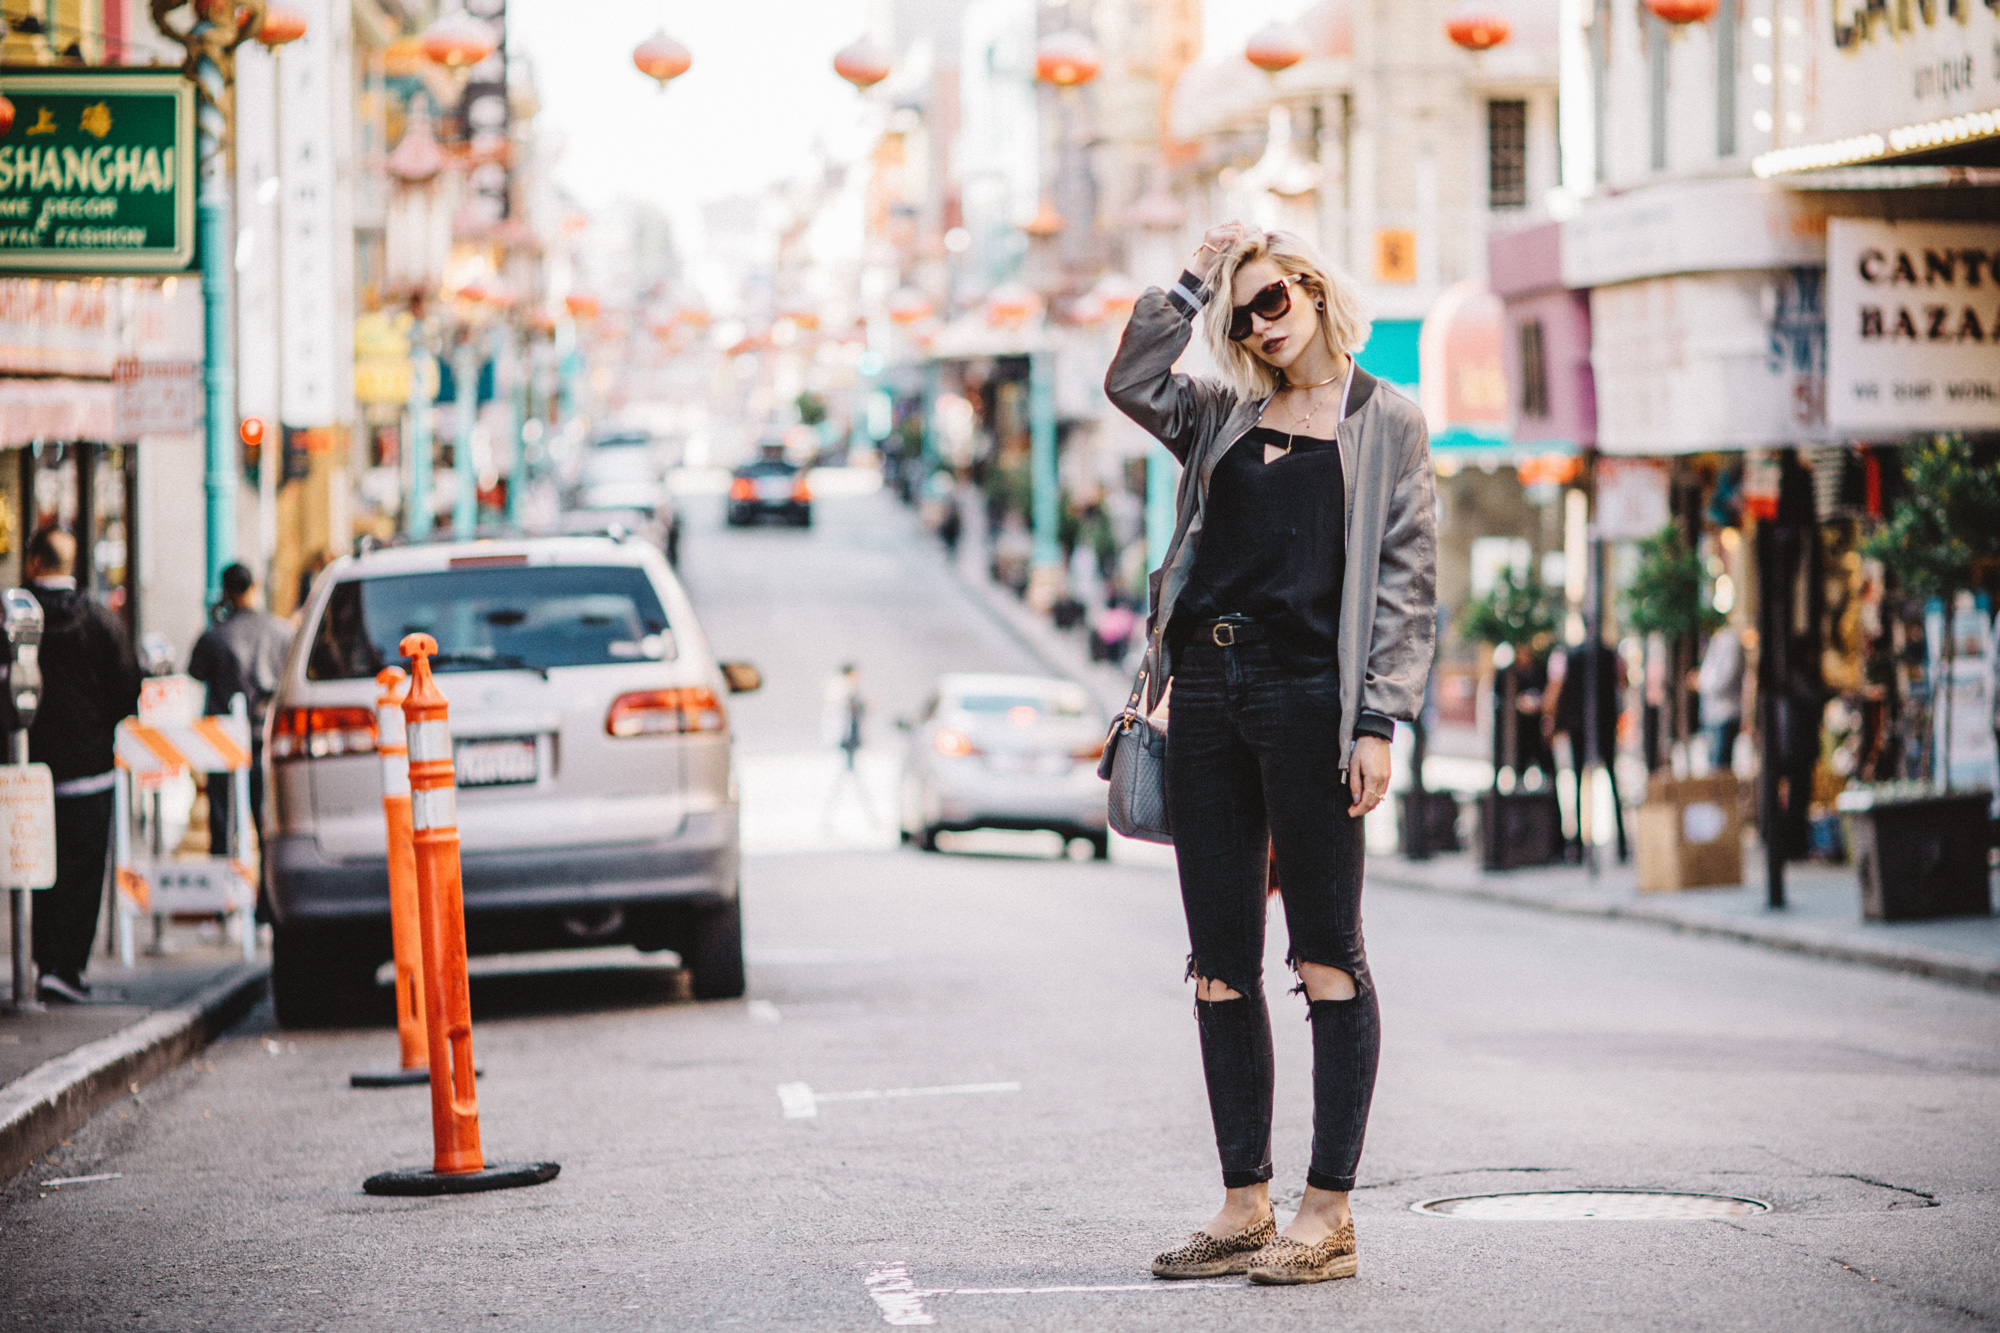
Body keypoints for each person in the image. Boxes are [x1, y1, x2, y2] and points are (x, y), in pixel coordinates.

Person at [1106, 223, 1436, 1285]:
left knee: (1325, 953)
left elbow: (1402, 583)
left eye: (1273, 295)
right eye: (1240, 309)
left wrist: (1378, 720)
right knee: (1215, 966)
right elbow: (1130, 377)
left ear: (1310, 288)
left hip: (1309, 702)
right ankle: (1243, 1201)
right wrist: (1192, 281)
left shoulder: (1385, 422)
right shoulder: (1217, 414)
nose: (1259, 319)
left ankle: (1326, 1212)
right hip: (1201, 694)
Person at [22, 529, 142, 1003]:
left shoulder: (15, 617)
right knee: (83, 866)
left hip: (28, 767)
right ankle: (68, 966)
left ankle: (43, 959)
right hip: (89, 769)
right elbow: (127, 688)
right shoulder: (99, 620)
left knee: (34, 865)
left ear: (33, 562)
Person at [188, 563, 294, 858]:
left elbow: (195, 671)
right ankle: (266, 901)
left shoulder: (215, 636)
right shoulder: (280, 631)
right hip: (265, 736)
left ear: (225, 591)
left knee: (222, 825)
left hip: (222, 741)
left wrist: (215, 620)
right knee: (265, 824)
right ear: (254, 587)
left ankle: (223, 896)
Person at [1547, 639, 1629, 863]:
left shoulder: (1570, 655)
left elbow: (1557, 689)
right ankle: (1621, 844)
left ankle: (1580, 847)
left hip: (1578, 724)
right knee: (1612, 780)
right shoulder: (1610, 654)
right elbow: (1623, 682)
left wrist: (1553, 720)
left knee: (1578, 782)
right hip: (1605, 723)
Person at [1697, 624, 1744, 773]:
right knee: (1714, 765)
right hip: (1713, 713)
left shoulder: (1730, 640)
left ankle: (1722, 795)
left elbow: (1724, 678)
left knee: (1720, 767)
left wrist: (1702, 683)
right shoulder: (1718, 640)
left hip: (1725, 713)